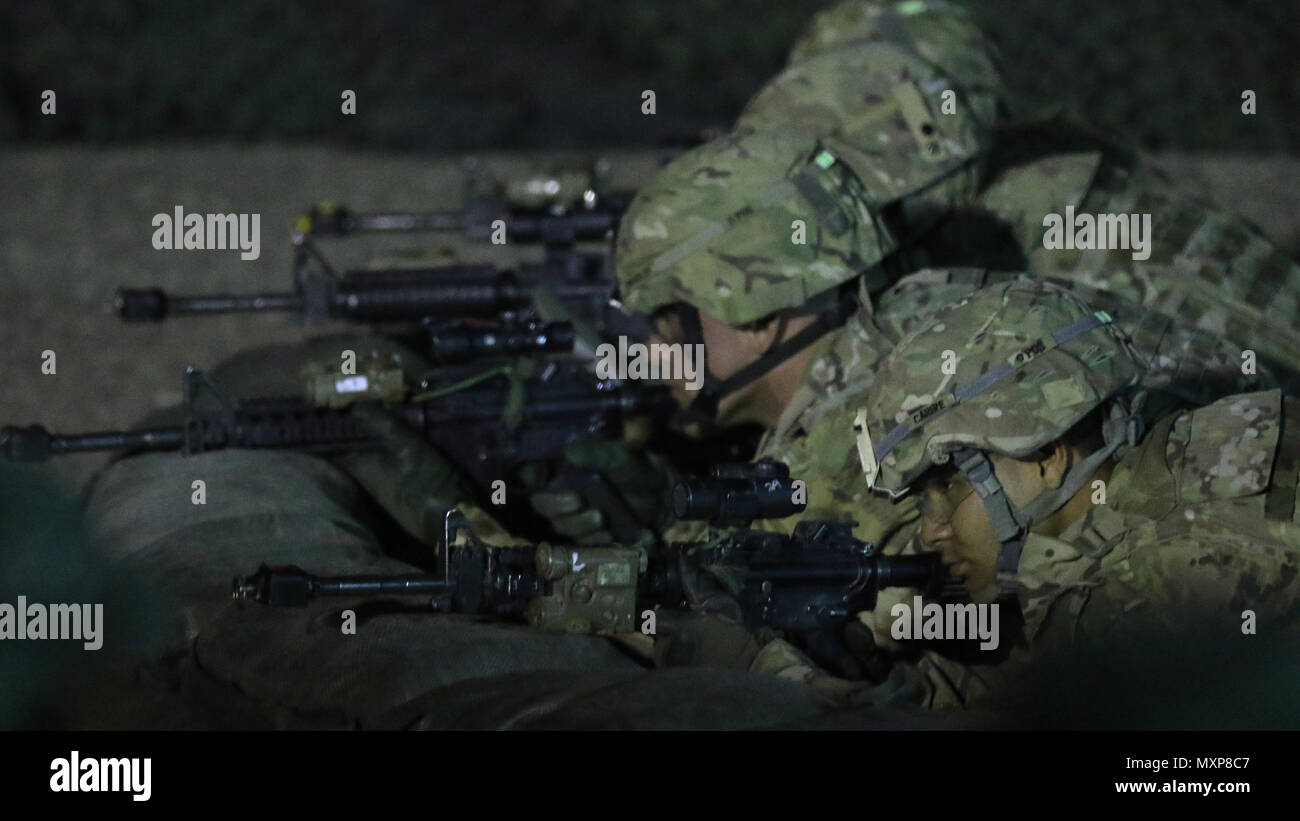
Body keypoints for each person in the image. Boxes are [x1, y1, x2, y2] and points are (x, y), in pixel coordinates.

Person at [824, 280, 1300, 709]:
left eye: (945, 487)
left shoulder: (1140, 592)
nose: (931, 531)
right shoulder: (1189, 448)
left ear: (1046, 458)